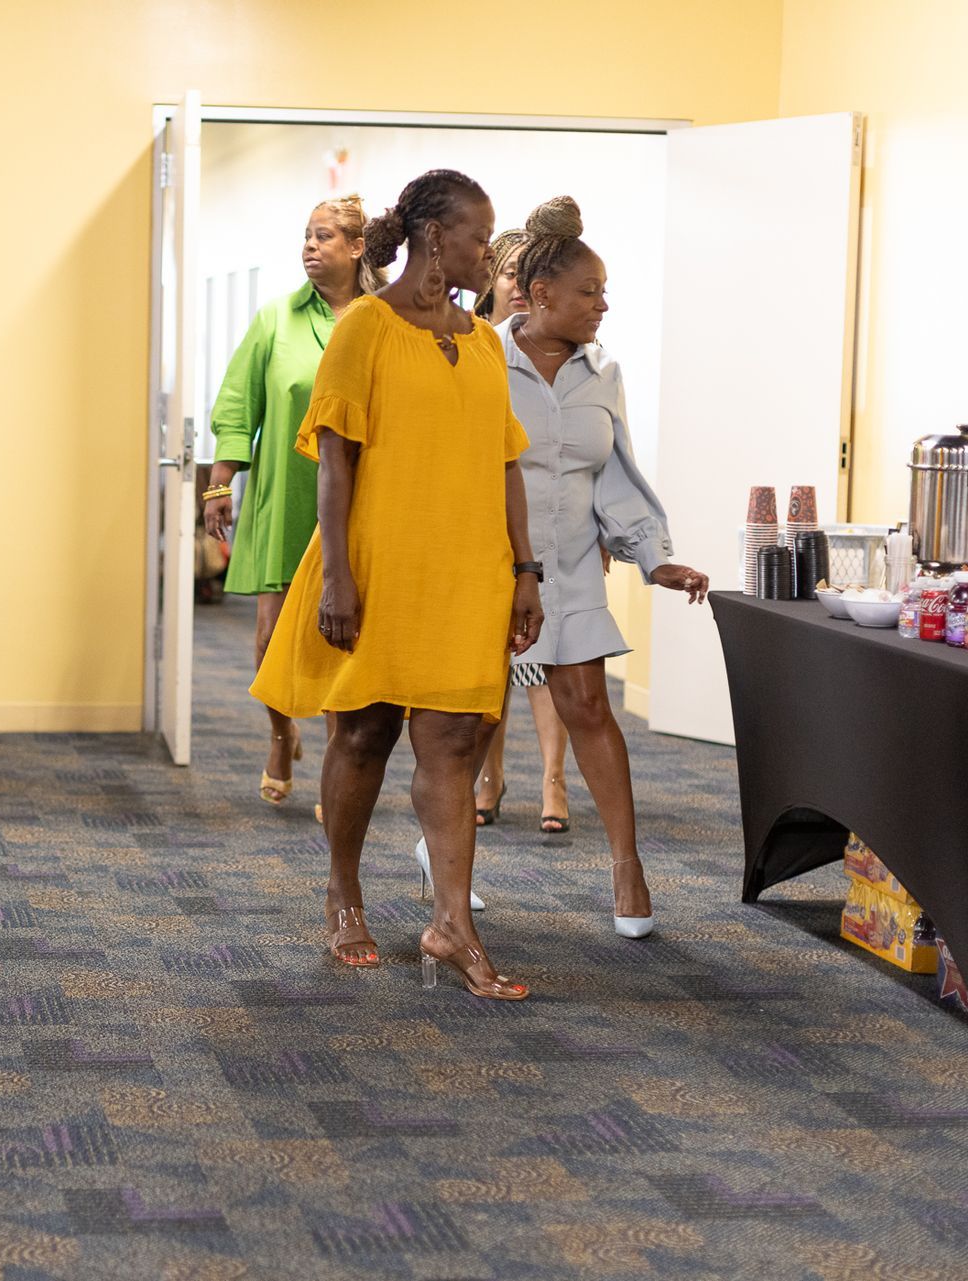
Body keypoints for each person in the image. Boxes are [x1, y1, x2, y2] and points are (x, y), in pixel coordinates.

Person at [252, 169, 543, 1000]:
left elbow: (506, 463)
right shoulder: (366, 331)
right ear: (431, 235)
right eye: (479, 237)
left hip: (469, 569)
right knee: (366, 733)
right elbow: (335, 460)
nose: (490, 253)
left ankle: (453, 925)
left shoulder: (486, 342)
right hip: (379, 565)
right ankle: (343, 889)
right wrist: (338, 573)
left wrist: (525, 571)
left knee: (454, 741)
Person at [491, 196, 710, 939]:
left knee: (588, 705)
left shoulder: (601, 373)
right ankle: (443, 848)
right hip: (491, 563)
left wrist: (656, 558)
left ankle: (626, 863)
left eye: (605, 291)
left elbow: (616, 472)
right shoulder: (481, 358)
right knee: (465, 719)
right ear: (541, 293)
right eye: (590, 292)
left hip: (575, 564)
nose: (603, 305)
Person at [203, 196, 386, 808]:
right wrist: (219, 483)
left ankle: (337, 768)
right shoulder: (276, 320)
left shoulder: (383, 321)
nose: (310, 246)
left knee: (342, 642)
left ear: (358, 248)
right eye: (306, 236)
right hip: (286, 501)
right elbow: (238, 404)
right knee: (269, 641)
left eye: (325, 236)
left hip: (361, 504)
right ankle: (281, 735)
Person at [470, 229, 580, 836]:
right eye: (508, 274)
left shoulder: (568, 351)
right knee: (495, 668)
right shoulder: (474, 344)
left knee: (545, 663)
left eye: (525, 276)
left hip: (554, 529)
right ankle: (490, 777)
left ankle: (553, 779)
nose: (516, 286)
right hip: (493, 526)